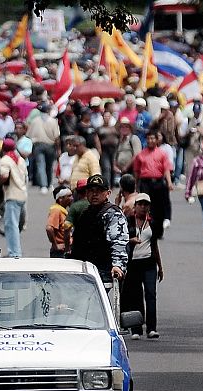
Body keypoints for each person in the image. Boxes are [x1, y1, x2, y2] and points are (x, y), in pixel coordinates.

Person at [69, 175, 129, 284]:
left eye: (99, 191)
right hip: (82, 270)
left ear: (108, 193)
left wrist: (117, 265)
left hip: (102, 273)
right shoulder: (86, 213)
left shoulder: (113, 214)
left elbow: (119, 242)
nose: (95, 194)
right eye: (91, 190)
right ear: (86, 193)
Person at [123, 193, 163, 339]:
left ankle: (152, 328)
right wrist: (130, 240)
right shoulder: (128, 221)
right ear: (135, 206)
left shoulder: (152, 223)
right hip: (133, 263)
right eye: (140, 204)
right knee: (135, 296)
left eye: (146, 204)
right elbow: (120, 240)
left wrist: (160, 266)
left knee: (151, 294)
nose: (143, 207)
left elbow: (155, 245)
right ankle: (136, 329)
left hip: (149, 263)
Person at [129, 132, 173, 238]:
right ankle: (147, 230)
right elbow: (136, 171)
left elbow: (166, 169)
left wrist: (169, 182)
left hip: (158, 183)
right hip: (145, 183)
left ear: (157, 140)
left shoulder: (162, 153)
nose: (150, 141)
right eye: (148, 138)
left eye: (152, 138)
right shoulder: (141, 155)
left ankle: (159, 231)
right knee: (146, 207)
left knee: (160, 207)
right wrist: (135, 185)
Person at [0, 137, 28, 257]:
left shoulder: (5, 160)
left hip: (12, 195)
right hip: (22, 193)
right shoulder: (20, 159)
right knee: (14, 225)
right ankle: (15, 251)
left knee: (11, 226)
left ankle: (14, 252)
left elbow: (4, 176)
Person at [26, 103, 61, 194]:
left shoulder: (35, 121)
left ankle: (44, 185)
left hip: (38, 145)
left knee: (41, 165)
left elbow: (29, 135)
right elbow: (57, 137)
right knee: (49, 166)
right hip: (50, 145)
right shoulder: (53, 121)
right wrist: (58, 149)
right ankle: (48, 184)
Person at [46, 186, 73, 258]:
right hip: (60, 252)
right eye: (69, 196)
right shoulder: (56, 211)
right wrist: (56, 245)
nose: (72, 198)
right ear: (60, 199)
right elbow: (49, 228)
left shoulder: (63, 211)